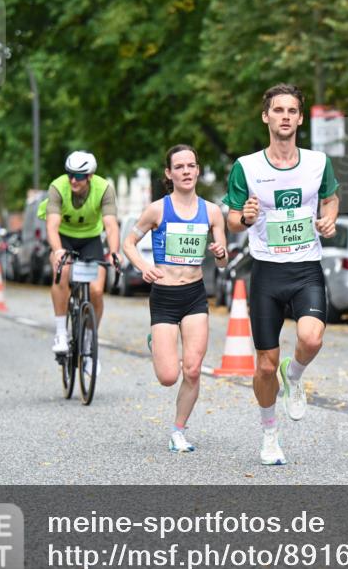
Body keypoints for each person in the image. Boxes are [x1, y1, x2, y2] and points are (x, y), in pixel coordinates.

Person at [223, 83, 340, 466]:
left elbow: (331, 198)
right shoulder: (247, 167)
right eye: (278, 110)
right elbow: (232, 219)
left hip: (306, 268)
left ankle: (296, 373)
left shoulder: (318, 162)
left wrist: (329, 219)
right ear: (266, 117)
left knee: (311, 337)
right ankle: (269, 434)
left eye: (291, 111)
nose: (285, 117)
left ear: (300, 118)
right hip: (267, 272)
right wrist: (245, 217)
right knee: (265, 365)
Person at [123, 145, 229, 452]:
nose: (186, 171)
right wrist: (144, 267)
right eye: (179, 167)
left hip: (195, 295)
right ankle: (157, 344)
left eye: (190, 166)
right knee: (168, 377)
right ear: (169, 174)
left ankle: (178, 431)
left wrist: (220, 253)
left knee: (192, 370)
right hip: (164, 297)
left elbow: (223, 261)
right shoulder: (157, 210)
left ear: (198, 170)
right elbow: (129, 243)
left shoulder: (212, 212)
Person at [43, 151, 120, 365]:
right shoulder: (58, 187)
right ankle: (61, 333)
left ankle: (88, 339)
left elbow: (111, 225)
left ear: (90, 176)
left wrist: (114, 252)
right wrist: (57, 250)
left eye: (79, 176)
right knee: (63, 271)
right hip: (64, 238)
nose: (73, 180)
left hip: (90, 240)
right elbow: (52, 226)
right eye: (70, 174)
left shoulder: (104, 189)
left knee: (96, 290)